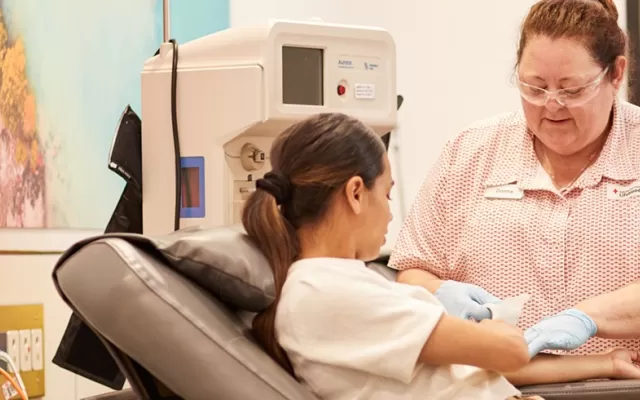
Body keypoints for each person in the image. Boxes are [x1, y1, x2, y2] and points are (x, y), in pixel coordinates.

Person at [241, 112, 640, 400]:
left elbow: (482, 366)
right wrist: (493, 323)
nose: (392, 212)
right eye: (388, 193)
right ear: (356, 193)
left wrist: (607, 363)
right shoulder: (325, 291)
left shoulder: (348, 283)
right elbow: (509, 351)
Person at [390, 0, 640, 357]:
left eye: (571, 90)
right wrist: (439, 293)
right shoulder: (469, 153)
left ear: (616, 74)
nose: (552, 105)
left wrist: (587, 317)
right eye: (534, 87)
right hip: (498, 388)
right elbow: (414, 270)